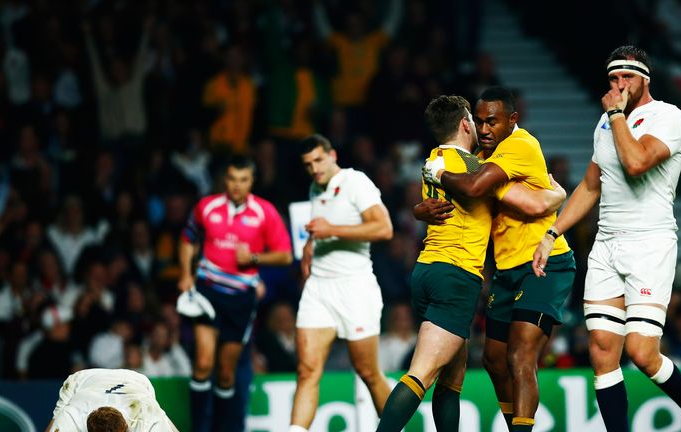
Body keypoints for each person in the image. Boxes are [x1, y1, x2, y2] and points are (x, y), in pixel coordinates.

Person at [530, 45, 681, 432]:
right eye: (613, 79)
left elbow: (636, 164)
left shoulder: (668, 117)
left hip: (650, 243)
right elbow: (589, 185)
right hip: (607, 245)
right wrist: (552, 232)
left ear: (645, 78)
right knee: (602, 350)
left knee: (641, 352)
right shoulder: (604, 124)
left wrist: (616, 115)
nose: (619, 86)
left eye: (627, 77)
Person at [378, 95, 564, 431]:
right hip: (456, 275)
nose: (482, 127)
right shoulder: (475, 168)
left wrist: (417, 209)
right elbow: (532, 204)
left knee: (452, 378)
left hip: (426, 270)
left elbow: (426, 204)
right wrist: (559, 195)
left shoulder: (432, 161)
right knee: (422, 373)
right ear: (466, 123)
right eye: (476, 121)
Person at [178, 156, 293, 432]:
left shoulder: (265, 212)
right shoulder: (207, 207)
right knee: (204, 364)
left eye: (243, 179)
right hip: (208, 292)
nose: (237, 185)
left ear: (252, 181)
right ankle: (198, 428)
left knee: (227, 374)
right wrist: (185, 274)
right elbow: (187, 240)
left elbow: (285, 256)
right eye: (232, 179)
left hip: (241, 298)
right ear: (224, 180)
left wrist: (254, 258)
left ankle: (221, 427)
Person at [288, 134, 393, 432]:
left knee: (368, 372)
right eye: (308, 164)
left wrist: (330, 229)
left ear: (333, 155)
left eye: (319, 160)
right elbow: (320, 227)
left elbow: (384, 228)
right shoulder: (315, 188)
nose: (314, 169)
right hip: (319, 288)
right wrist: (310, 245)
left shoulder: (355, 183)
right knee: (307, 370)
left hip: (354, 288)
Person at [46, 368, 178, 432]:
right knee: (57, 418)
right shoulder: (71, 417)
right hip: (80, 382)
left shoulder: (147, 417)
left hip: (136, 382)